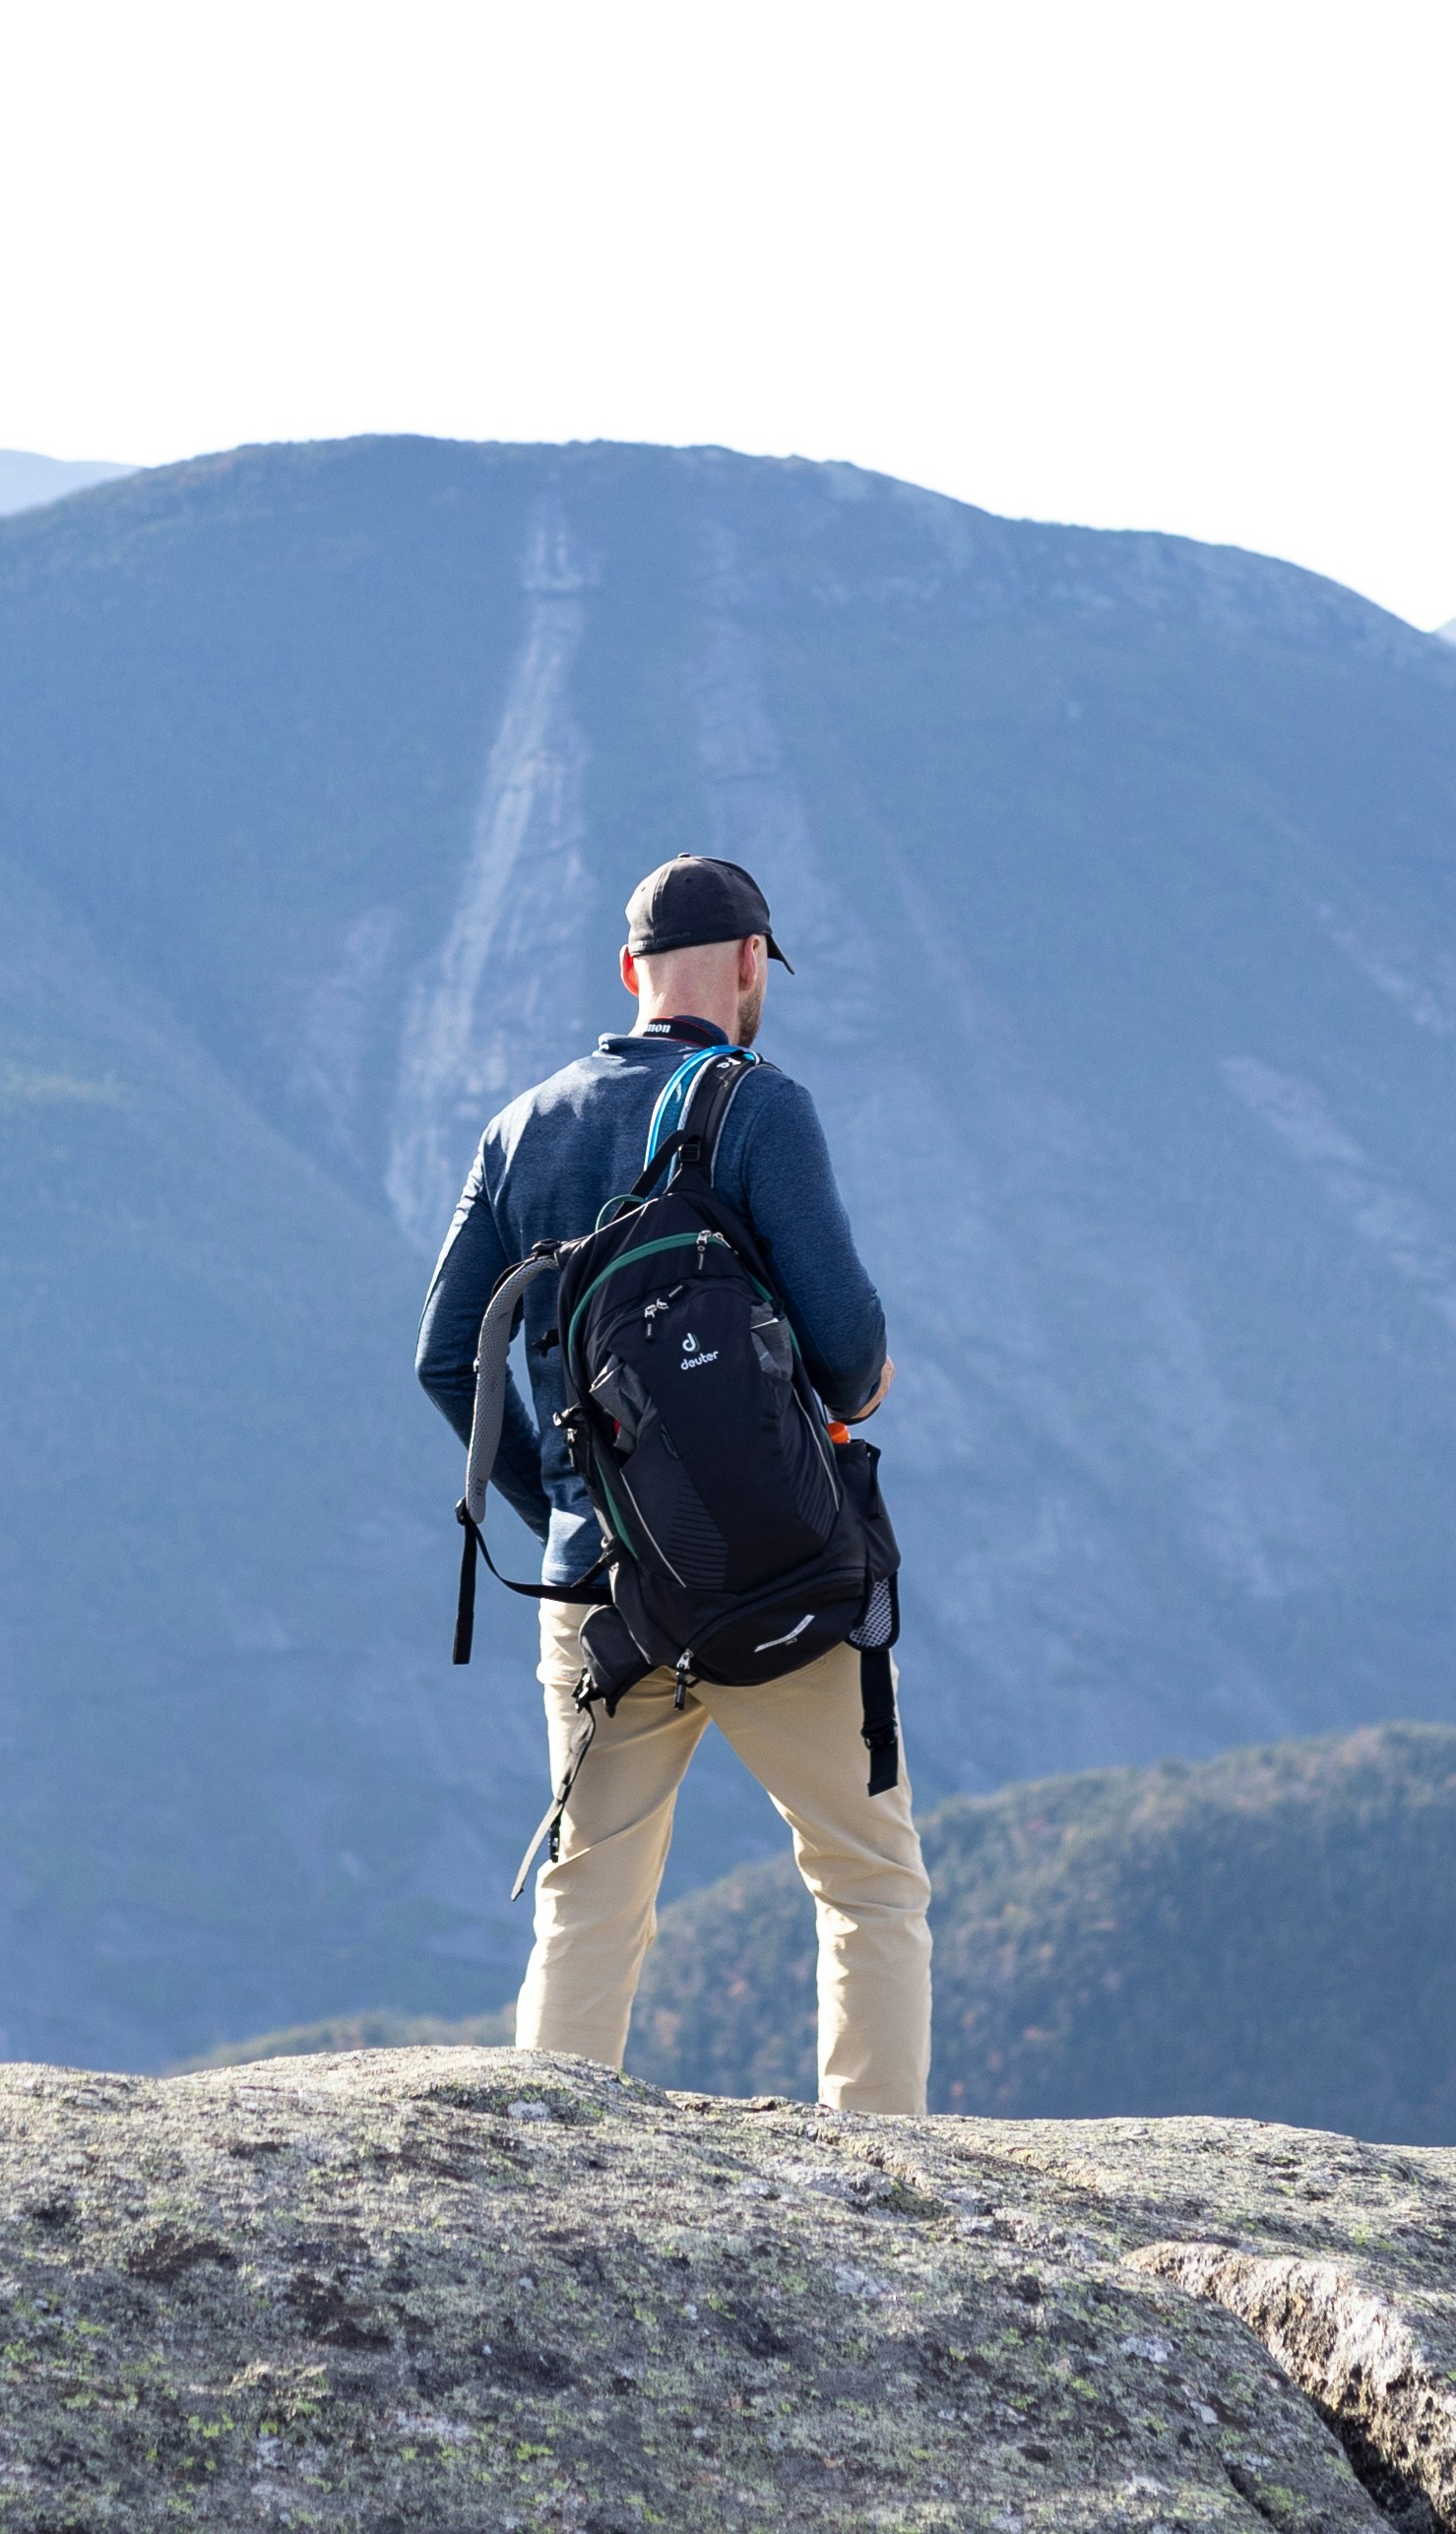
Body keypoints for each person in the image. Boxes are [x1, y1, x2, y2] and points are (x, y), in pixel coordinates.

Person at [408, 852, 932, 2112]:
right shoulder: (754, 1103)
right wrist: (854, 1394)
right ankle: (886, 2189)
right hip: (781, 1580)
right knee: (866, 1881)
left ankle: (546, 2189)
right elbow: (850, 1356)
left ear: (630, 971)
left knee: (592, 1891)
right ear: (753, 962)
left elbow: (441, 1360)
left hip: (605, 1601)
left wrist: (585, 1517)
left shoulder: (522, 1125)